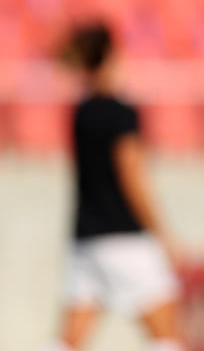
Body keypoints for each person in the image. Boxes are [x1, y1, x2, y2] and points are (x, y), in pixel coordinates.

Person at [45, 22, 186, 351]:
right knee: (167, 337)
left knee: (69, 340)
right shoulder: (121, 114)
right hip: (125, 239)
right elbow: (132, 178)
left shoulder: (80, 113)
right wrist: (162, 234)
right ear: (109, 57)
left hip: (84, 240)